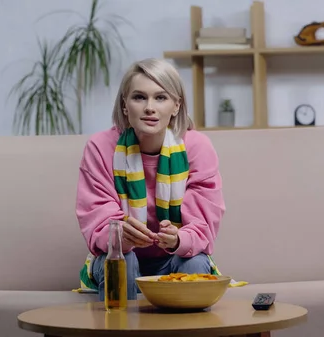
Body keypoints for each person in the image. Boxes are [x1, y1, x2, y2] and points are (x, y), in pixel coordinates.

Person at [75, 58, 225, 301]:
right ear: (125, 105)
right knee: (123, 263)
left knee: (194, 264)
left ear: (176, 105)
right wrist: (120, 235)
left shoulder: (198, 147)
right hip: (121, 256)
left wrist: (179, 239)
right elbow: (97, 218)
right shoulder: (100, 147)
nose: (149, 107)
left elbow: (204, 223)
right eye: (139, 97)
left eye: (160, 97)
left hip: (174, 258)